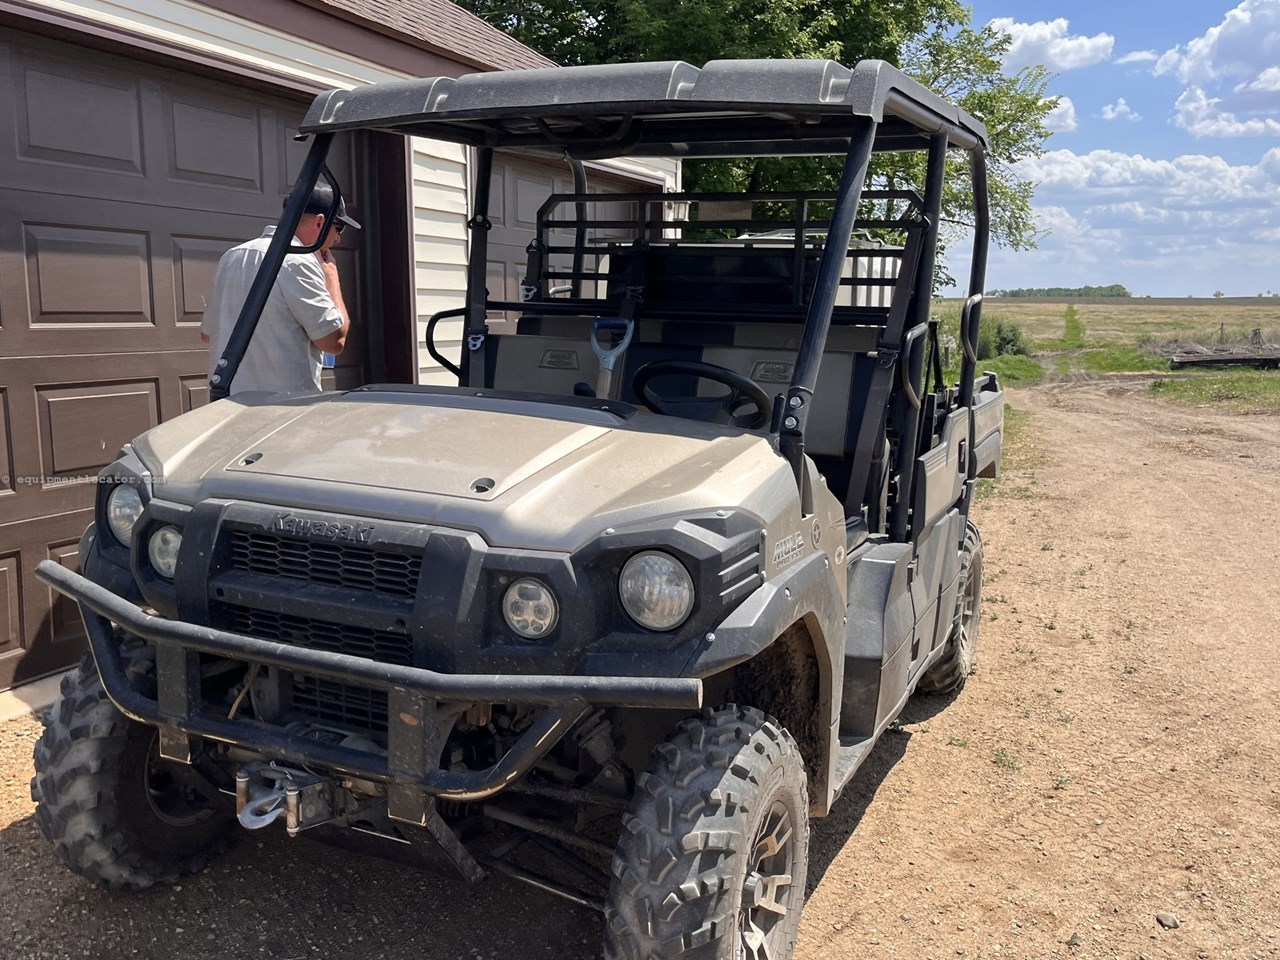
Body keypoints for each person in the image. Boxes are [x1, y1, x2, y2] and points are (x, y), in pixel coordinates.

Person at [200, 182, 359, 395]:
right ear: (320, 223)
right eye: (338, 228)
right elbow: (334, 341)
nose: (338, 238)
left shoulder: (232, 256)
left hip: (227, 406)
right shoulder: (298, 260)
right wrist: (331, 277)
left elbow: (208, 334)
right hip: (282, 409)